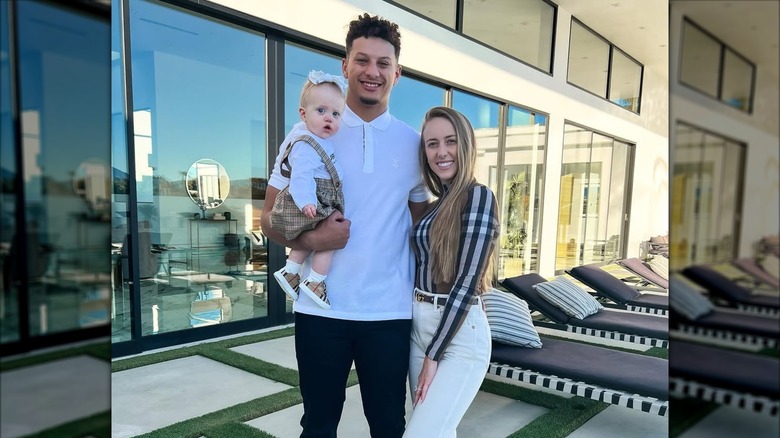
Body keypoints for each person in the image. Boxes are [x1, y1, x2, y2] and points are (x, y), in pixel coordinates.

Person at [260, 13, 431, 438]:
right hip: (320, 309)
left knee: (389, 425)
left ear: (398, 72)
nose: (372, 72)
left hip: (389, 312)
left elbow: (422, 225)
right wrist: (316, 238)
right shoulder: (307, 132)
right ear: (345, 66)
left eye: (383, 63)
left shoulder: (413, 143)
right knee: (318, 425)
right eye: (362, 60)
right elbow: (267, 219)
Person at [404, 107, 499, 437]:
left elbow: (467, 282)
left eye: (450, 141)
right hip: (420, 325)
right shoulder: (433, 206)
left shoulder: (479, 197)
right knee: (437, 431)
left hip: (458, 335)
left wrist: (434, 354)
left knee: (421, 433)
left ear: (467, 145)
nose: (441, 152)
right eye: (432, 144)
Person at [269, 70, 348, 310]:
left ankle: (292, 271)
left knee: (321, 234)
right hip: (315, 197)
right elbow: (300, 176)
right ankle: (315, 281)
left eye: (335, 114)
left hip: (319, 196)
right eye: (321, 111)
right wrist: (306, 202)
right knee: (331, 239)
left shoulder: (321, 141)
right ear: (303, 114)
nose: (329, 119)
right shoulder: (304, 142)